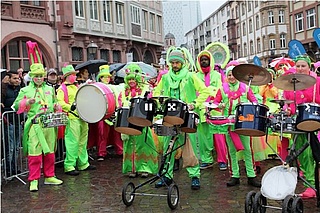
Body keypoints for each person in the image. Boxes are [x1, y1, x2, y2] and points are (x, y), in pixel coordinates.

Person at [153, 48, 210, 190]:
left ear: (182, 62)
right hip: (170, 117)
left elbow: (205, 91)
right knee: (168, 147)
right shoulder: (166, 78)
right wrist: (159, 102)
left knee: (190, 147)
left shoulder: (190, 76)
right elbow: (156, 92)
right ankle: (167, 175)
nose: (174, 64)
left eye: (177, 62)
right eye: (172, 62)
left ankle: (195, 176)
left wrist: (195, 103)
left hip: (187, 116)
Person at [13, 63, 63, 192]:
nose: (39, 78)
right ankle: (34, 179)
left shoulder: (50, 89)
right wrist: (26, 102)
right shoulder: (25, 90)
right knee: (34, 152)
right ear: (32, 76)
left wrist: (57, 106)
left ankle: (49, 176)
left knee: (50, 151)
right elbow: (16, 106)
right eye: (36, 76)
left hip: (49, 124)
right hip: (35, 124)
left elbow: (54, 101)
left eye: (41, 76)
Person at [213, 66, 261, 187]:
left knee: (248, 150)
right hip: (229, 124)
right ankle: (234, 175)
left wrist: (248, 105)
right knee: (231, 151)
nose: (231, 77)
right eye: (229, 75)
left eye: (233, 74)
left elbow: (255, 102)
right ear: (226, 76)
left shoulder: (245, 88)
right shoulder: (222, 89)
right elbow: (214, 103)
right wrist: (220, 106)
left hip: (244, 123)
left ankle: (251, 176)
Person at [282, 55, 320, 198]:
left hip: (315, 123)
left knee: (312, 153)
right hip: (298, 124)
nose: (300, 69)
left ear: (309, 67)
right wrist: (288, 109)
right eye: (297, 66)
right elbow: (290, 105)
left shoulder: (318, 82)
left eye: (303, 66)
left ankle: (313, 184)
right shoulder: (291, 84)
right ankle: (310, 185)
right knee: (302, 154)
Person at [118, 63, 158, 178]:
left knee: (143, 144)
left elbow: (150, 103)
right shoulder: (123, 91)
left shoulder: (145, 89)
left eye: (133, 79)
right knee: (129, 145)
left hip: (141, 120)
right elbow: (120, 104)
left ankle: (144, 168)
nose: (131, 81)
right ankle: (131, 168)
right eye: (129, 79)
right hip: (128, 122)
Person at [57, 65, 96, 176]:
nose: (75, 76)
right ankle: (69, 165)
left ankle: (83, 163)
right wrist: (70, 107)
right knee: (72, 143)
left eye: (75, 74)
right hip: (72, 117)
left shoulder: (77, 86)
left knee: (83, 142)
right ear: (67, 76)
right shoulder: (62, 88)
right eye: (73, 75)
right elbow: (60, 102)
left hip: (82, 117)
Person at [195, 50, 228, 171]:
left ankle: (222, 160)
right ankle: (206, 159)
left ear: (210, 61)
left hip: (216, 109)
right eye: (202, 60)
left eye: (206, 60)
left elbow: (222, 90)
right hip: (202, 110)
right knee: (204, 138)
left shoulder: (218, 75)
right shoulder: (195, 76)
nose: (204, 62)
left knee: (219, 136)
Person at [87, 65, 123, 161]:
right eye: (104, 77)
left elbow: (119, 98)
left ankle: (120, 150)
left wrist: (117, 108)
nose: (106, 79)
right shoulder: (97, 88)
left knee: (117, 133)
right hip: (102, 114)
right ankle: (101, 152)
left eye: (108, 77)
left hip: (113, 113)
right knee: (102, 134)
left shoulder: (114, 87)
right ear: (100, 78)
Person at [1, 71, 22, 176]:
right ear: (8, 79)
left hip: (18, 120)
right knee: (10, 146)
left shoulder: (19, 89)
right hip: (8, 121)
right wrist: (3, 85)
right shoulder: (4, 89)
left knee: (17, 146)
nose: (17, 80)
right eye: (14, 78)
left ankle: (15, 167)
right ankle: (8, 168)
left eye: (18, 78)